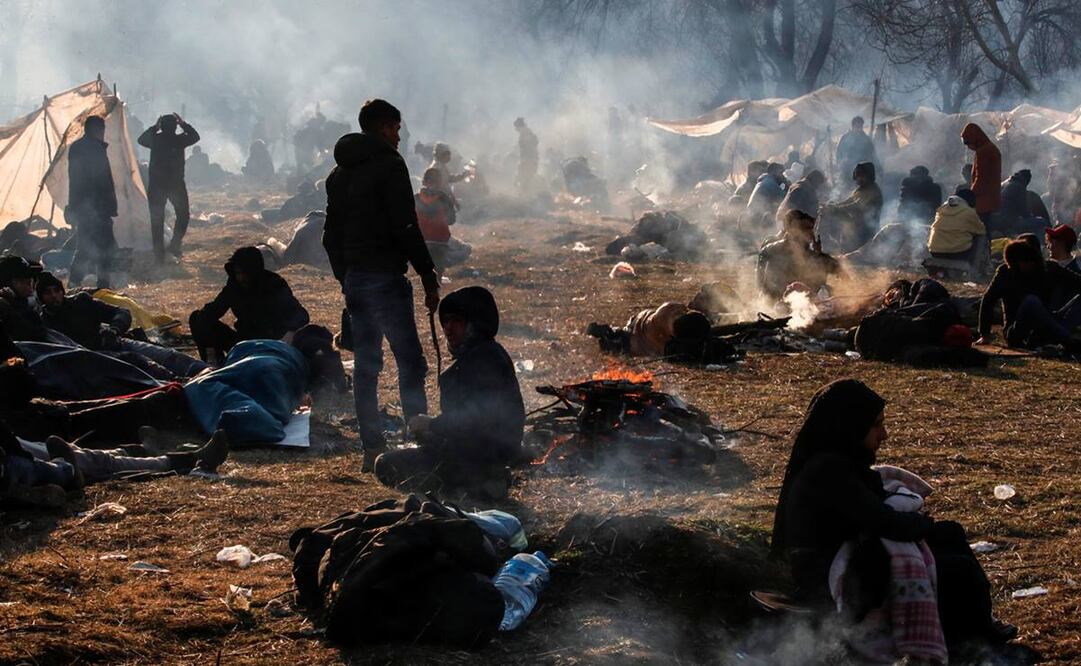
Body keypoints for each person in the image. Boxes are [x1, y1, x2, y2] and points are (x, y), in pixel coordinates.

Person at [771, 379, 1017, 654]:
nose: (884, 434)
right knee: (957, 570)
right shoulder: (829, 471)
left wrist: (925, 526)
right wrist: (923, 524)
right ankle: (965, 644)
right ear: (849, 425)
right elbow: (887, 523)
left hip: (857, 554)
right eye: (876, 425)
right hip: (829, 576)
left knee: (951, 533)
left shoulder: (842, 462)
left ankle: (983, 624)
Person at [323, 98, 440, 472]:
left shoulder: (339, 175)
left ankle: (371, 449)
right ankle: (420, 443)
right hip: (387, 279)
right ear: (383, 127)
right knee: (410, 362)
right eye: (396, 128)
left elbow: (330, 236)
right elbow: (405, 226)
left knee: (367, 366)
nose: (400, 136)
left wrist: (347, 276)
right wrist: (426, 273)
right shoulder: (390, 166)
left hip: (357, 279)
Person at [375, 287, 523, 499]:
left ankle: (476, 484)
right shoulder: (484, 355)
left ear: (474, 323)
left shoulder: (484, 360)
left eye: (456, 321)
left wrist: (431, 424)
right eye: (445, 322)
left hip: (479, 455)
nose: (448, 328)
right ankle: (479, 481)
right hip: (479, 452)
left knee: (385, 464)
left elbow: (476, 419)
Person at [36, 272, 207, 378]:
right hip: (96, 360)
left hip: (117, 342)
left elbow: (122, 312)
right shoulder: (43, 323)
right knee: (148, 368)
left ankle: (209, 371)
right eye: (48, 293)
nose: (54, 296)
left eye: (56, 290)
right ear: (41, 298)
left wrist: (114, 329)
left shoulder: (81, 302)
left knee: (170, 356)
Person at [188, 246, 310, 364]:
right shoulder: (234, 285)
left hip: (270, 346)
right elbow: (216, 309)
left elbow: (300, 315)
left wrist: (290, 333)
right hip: (243, 344)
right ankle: (216, 365)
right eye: (237, 273)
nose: (241, 277)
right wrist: (207, 339)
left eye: (244, 273)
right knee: (198, 318)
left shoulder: (274, 284)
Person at [977, 239, 1081, 348]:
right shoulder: (1005, 272)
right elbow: (988, 299)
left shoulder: (1049, 268)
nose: (1028, 265)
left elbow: (1077, 281)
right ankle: (1066, 340)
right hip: (1017, 330)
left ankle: (1055, 336)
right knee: (1031, 301)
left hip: (1046, 323)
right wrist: (984, 334)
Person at [138, 113, 200, 262]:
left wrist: (155, 127)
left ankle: (159, 253)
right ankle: (175, 244)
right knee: (183, 215)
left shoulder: (156, 139)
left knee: (157, 219)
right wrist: (183, 124)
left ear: (162, 126)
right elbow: (195, 136)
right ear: (174, 126)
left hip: (158, 185)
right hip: (175, 184)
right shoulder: (179, 140)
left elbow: (141, 140)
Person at [67, 115, 118, 289]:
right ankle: (102, 284)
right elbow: (100, 180)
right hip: (96, 207)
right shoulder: (94, 149)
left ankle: (75, 280)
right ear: (98, 130)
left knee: (86, 245)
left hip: (85, 206)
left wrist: (73, 206)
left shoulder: (77, 147)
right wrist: (108, 205)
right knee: (104, 247)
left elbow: (74, 181)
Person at [757, 209, 840, 301]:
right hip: (781, 301)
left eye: (811, 228)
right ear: (791, 229)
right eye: (805, 228)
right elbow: (763, 282)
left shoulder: (812, 254)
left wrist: (819, 253)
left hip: (809, 303)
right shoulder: (773, 251)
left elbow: (836, 269)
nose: (810, 232)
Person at [415, 168, 470, 275]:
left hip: (420, 241)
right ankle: (439, 276)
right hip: (441, 241)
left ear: (423, 182)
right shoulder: (443, 198)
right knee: (466, 249)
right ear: (440, 182)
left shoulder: (415, 198)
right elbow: (451, 220)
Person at [820, 162, 883, 252]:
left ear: (868, 176)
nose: (858, 179)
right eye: (857, 176)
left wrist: (834, 208)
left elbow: (855, 205)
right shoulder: (862, 189)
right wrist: (832, 205)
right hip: (856, 226)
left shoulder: (872, 190)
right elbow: (849, 200)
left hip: (865, 231)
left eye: (861, 176)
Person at [927, 188, 986, 263]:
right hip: (958, 252)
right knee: (980, 237)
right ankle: (975, 267)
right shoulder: (969, 212)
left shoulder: (941, 210)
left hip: (935, 251)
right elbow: (981, 230)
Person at [961, 123, 1001, 228]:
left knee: (980, 229)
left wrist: (971, 195)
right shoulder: (990, 148)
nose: (969, 147)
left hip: (983, 201)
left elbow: (981, 178)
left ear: (975, 139)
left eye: (968, 143)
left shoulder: (984, 152)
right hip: (991, 197)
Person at [0, 256, 47, 342]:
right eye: (24, 281)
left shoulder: (25, 306)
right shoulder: (5, 309)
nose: (30, 286)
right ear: (7, 285)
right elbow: (33, 334)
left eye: (31, 281)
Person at [743, 162, 787, 227]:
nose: (782, 176)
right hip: (757, 216)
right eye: (781, 173)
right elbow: (785, 199)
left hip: (752, 213)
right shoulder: (770, 183)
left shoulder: (765, 180)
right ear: (775, 172)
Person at [836, 116, 876, 182]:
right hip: (847, 169)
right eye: (857, 126)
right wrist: (840, 162)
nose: (859, 129)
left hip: (862, 171)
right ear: (853, 126)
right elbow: (839, 152)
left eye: (860, 126)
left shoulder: (866, 139)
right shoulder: (846, 138)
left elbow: (871, 154)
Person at [514, 117, 539, 194]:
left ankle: (526, 195)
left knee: (526, 179)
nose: (516, 129)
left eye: (516, 127)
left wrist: (525, 160)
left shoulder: (526, 134)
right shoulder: (526, 133)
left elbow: (529, 149)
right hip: (529, 160)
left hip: (529, 160)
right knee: (525, 179)